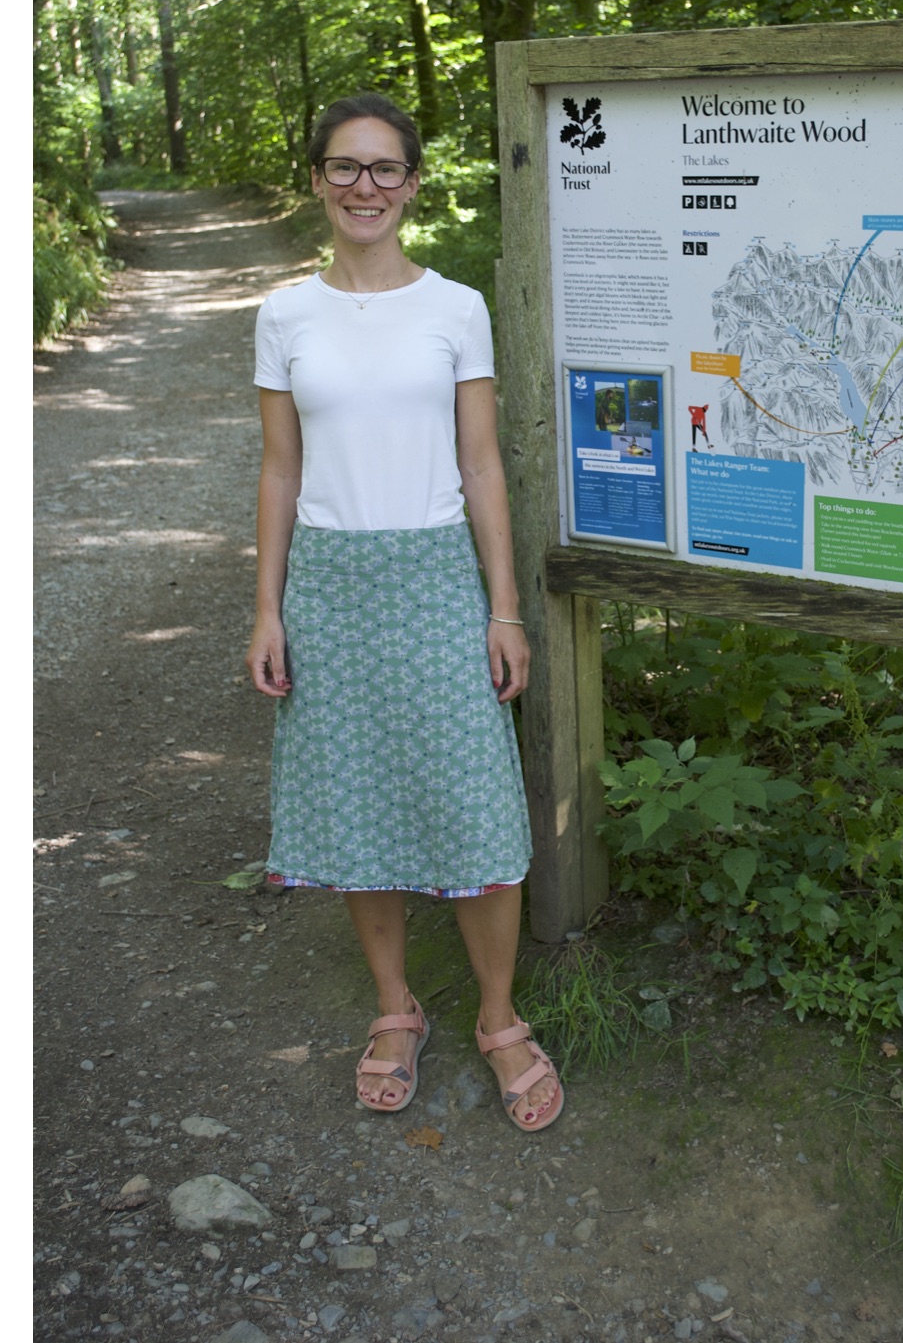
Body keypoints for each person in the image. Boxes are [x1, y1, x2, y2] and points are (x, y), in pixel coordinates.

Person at [245, 92, 563, 1133]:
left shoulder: (456, 308)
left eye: (385, 168)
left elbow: (482, 464)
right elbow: (280, 467)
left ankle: (500, 1017)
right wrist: (267, 609)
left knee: (472, 798)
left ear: (414, 184)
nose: (365, 186)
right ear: (317, 181)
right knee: (356, 797)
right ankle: (395, 1008)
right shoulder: (285, 315)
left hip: (434, 580)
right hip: (329, 588)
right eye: (345, 166)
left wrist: (503, 609)